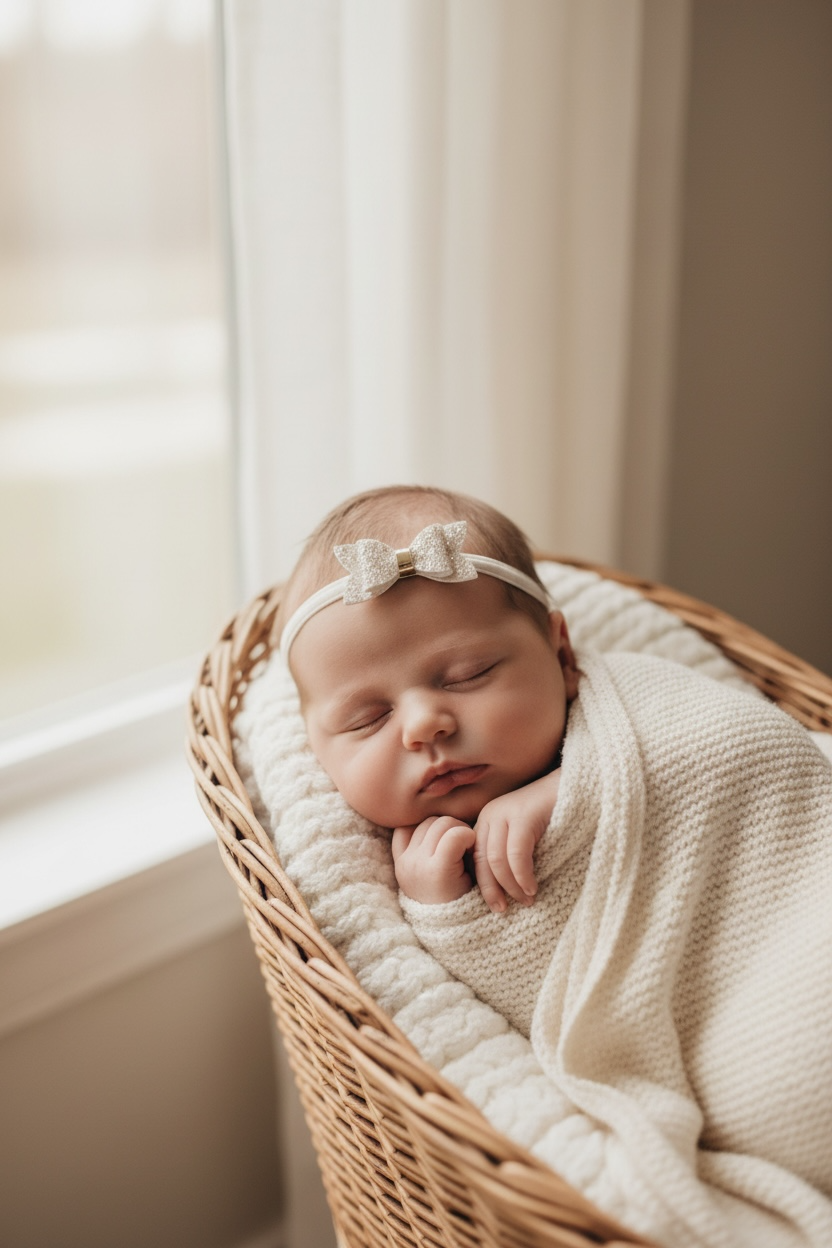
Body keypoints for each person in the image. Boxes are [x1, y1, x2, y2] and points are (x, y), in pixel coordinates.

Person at [278, 483, 580, 914]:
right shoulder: (395, 879)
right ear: (314, 745)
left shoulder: (627, 711)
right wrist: (440, 906)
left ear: (563, 657)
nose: (423, 724)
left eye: (468, 675)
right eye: (368, 718)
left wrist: (573, 788)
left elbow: (705, 741)